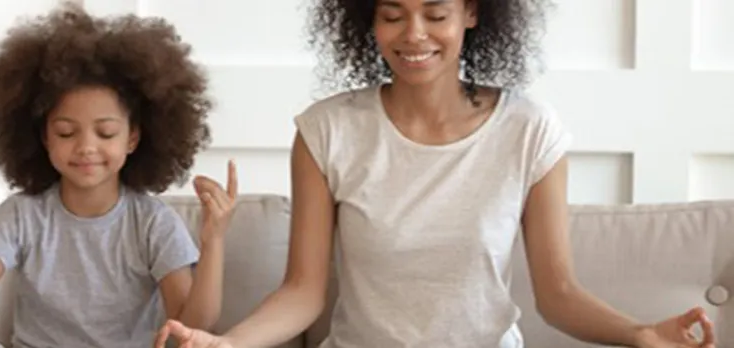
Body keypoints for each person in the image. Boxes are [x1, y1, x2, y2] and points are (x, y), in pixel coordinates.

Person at [156, 0, 717, 347]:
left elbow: (559, 293)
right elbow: (303, 293)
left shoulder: (530, 132)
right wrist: (230, 344)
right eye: (392, 14)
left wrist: (638, 334)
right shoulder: (326, 131)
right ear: (367, 19)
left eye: (436, 12)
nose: (414, 35)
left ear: (472, 12)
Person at [0, 4, 237, 348]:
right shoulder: (21, 215)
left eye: (104, 133)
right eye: (65, 133)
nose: (86, 147)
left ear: (133, 138)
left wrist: (214, 241)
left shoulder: (153, 223)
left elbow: (192, 326)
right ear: (43, 137)